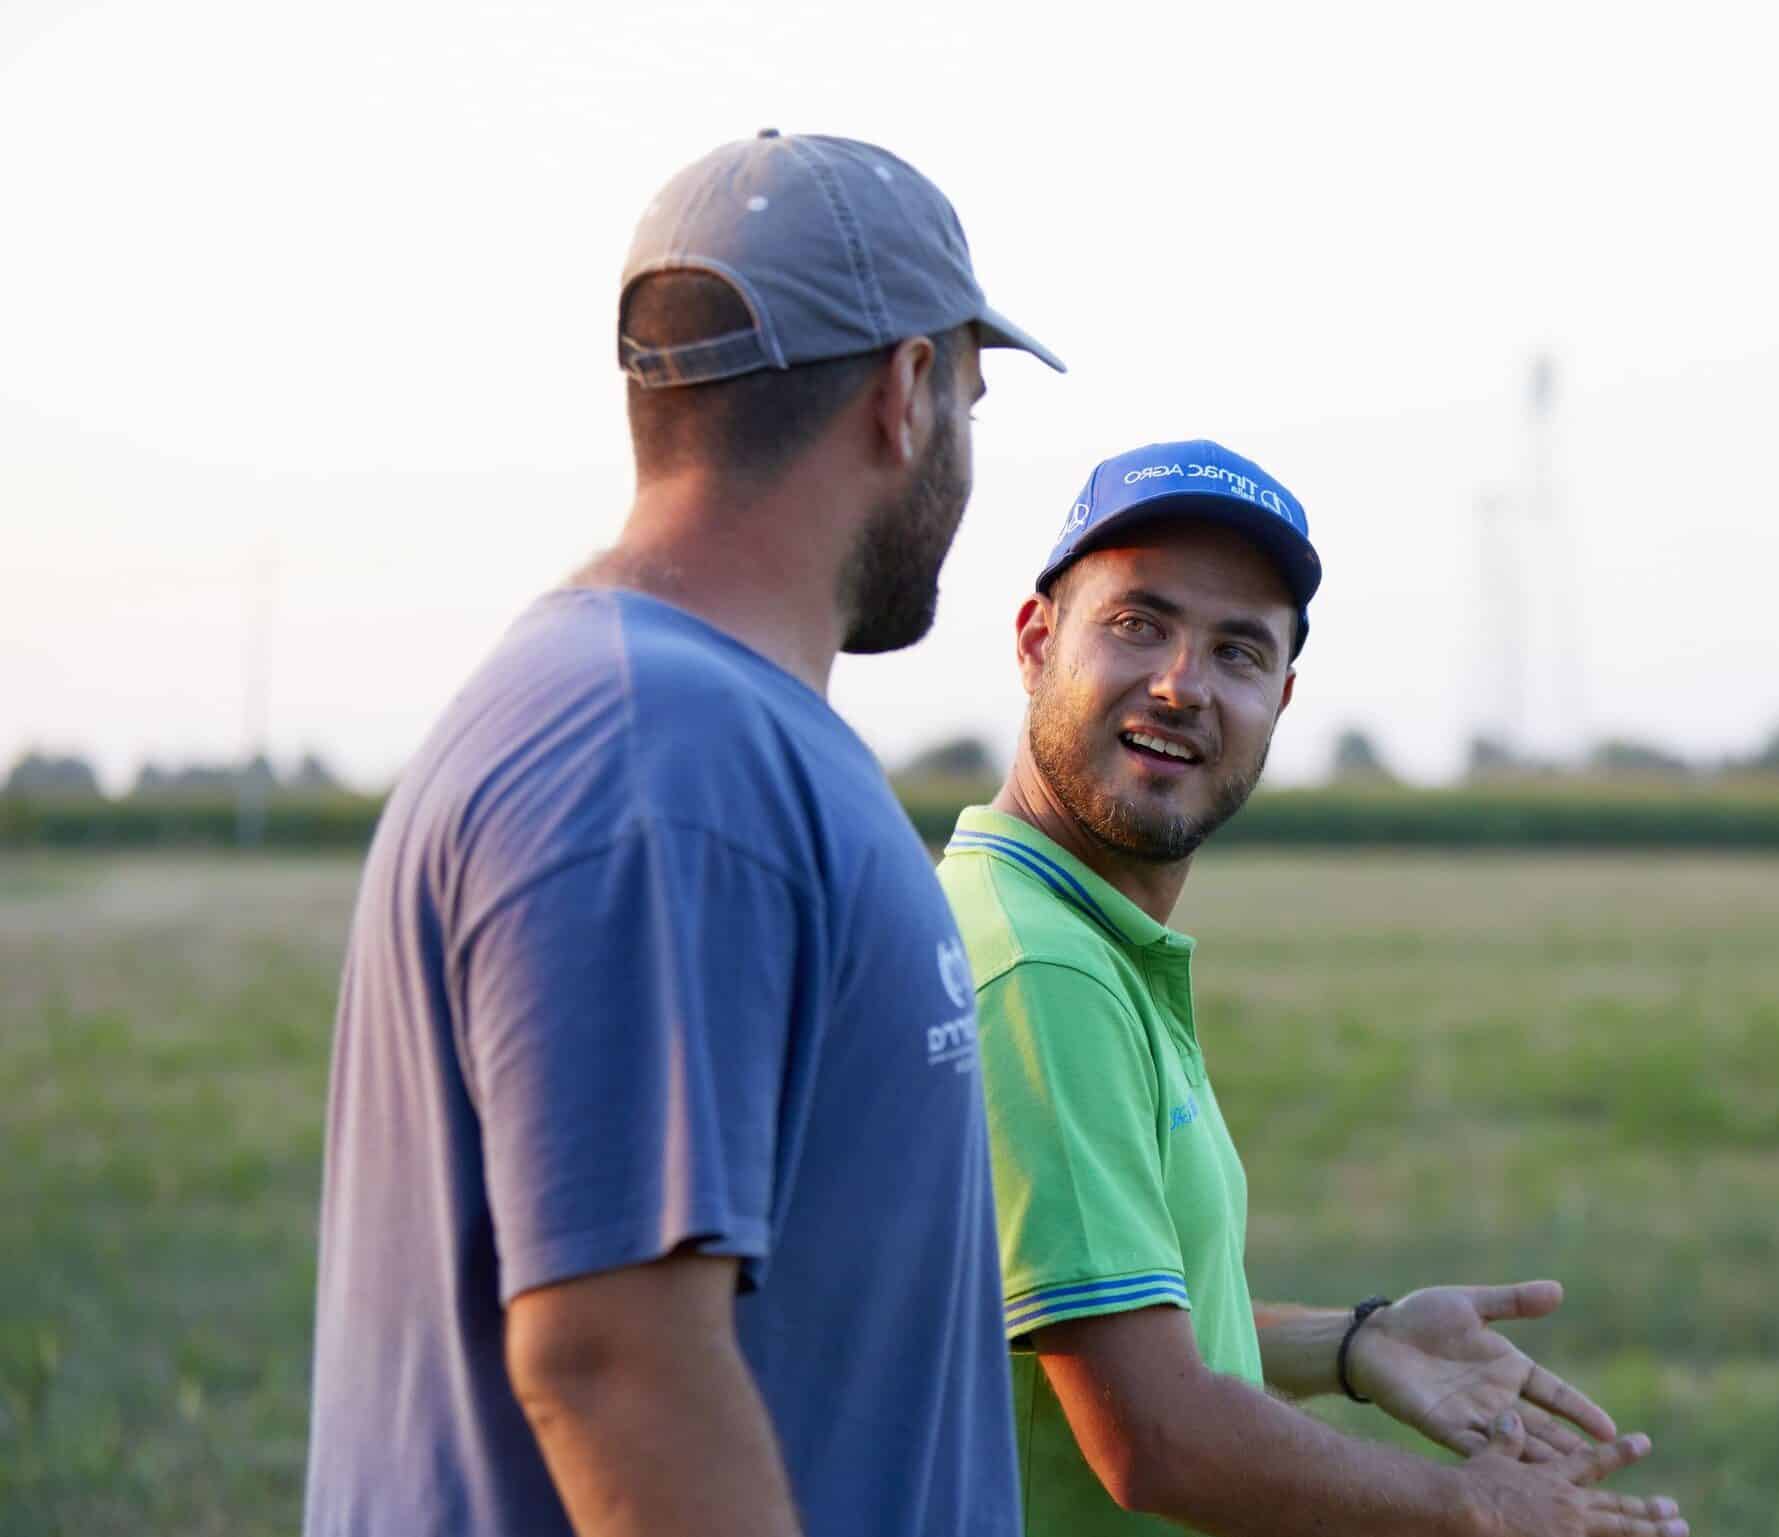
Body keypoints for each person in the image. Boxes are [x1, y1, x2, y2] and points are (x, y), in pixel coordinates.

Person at [303, 131, 1062, 1537]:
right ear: (905, 394)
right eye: (967, 391)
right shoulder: (662, 762)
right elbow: (614, 1363)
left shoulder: (667, 725)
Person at [936, 440, 1692, 1537]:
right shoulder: (1040, 967)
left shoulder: (1059, 931)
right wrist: (1470, 1509)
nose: (1181, 684)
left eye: (1236, 650)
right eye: (1138, 623)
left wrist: (1351, 1343)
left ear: (1280, 698)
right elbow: (1154, 1435)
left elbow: (1085, 1334)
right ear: (1036, 640)